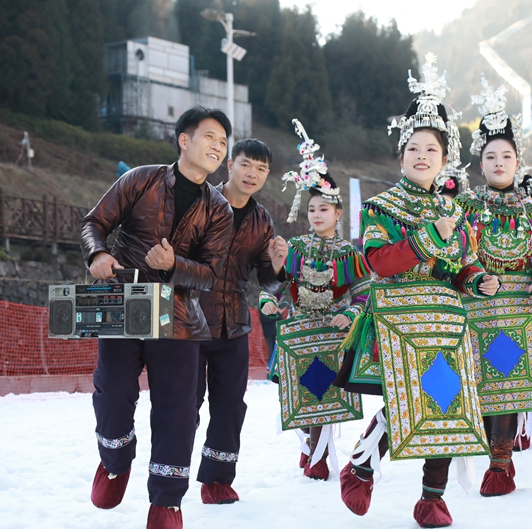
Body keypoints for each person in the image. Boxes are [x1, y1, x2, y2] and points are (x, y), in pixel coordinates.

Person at [334, 53, 498, 529]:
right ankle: (362, 466)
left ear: (445, 160)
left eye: (432, 149)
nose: (422, 156)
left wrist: (477, 280)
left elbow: (460, 267)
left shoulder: (455, 210)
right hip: (398, 318)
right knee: (404, 397)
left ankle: (432, 497)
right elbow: (378, 262)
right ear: (401, 156)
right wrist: (430, 237)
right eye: (414, 149)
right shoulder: (381, 207)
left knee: (445, 399)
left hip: (447, 320)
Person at [81, 107, 234, 529]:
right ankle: (114, 462)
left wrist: (173, 266)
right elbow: (94, 222)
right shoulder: (141, 179)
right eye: (210, 137)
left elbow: (210, 273)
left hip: (180, 315)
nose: (218, 148)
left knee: (178, 410)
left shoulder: (220, 210)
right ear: (184, 140)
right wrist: (99, 253)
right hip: (124, 300)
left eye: (223, 143)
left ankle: (166, 501)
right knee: (111, 392)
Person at [455, 75, 532, 495]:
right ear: (481, 164)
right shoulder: (466, 206)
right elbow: (457, 255)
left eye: (507, 156)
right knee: (480, 380)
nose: (499, 163)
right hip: (480, 303)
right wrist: (475, 277)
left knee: (508, 381)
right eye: (491, 156)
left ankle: (501, 462)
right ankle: (489, 448)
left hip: (519, 304)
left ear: (518, 162)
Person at [262, 119, 370, 481]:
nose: (317, 215)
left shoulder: (349, 252)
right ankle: (310, 448)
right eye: (312, 210)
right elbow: (277, 283)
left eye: (324, 209)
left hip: (333, 332)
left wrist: (352, 313)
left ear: (338, 213)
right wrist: (270, 299)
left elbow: (363, 292)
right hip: (299, 331)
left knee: (324, 392)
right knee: (301, 392)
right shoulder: (295, 248)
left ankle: (321, 458)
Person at [195, 138, 288, 504]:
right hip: (189, 319)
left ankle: (216, 480)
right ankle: (172, 472)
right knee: (184, 403)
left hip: (233, 323)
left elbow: (266, 279)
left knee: (231, 403)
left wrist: (277, 265)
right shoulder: (200, 202)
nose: (253, 174)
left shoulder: (262, 221)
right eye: (247, 165)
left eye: (262, 169)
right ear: (229, 164)